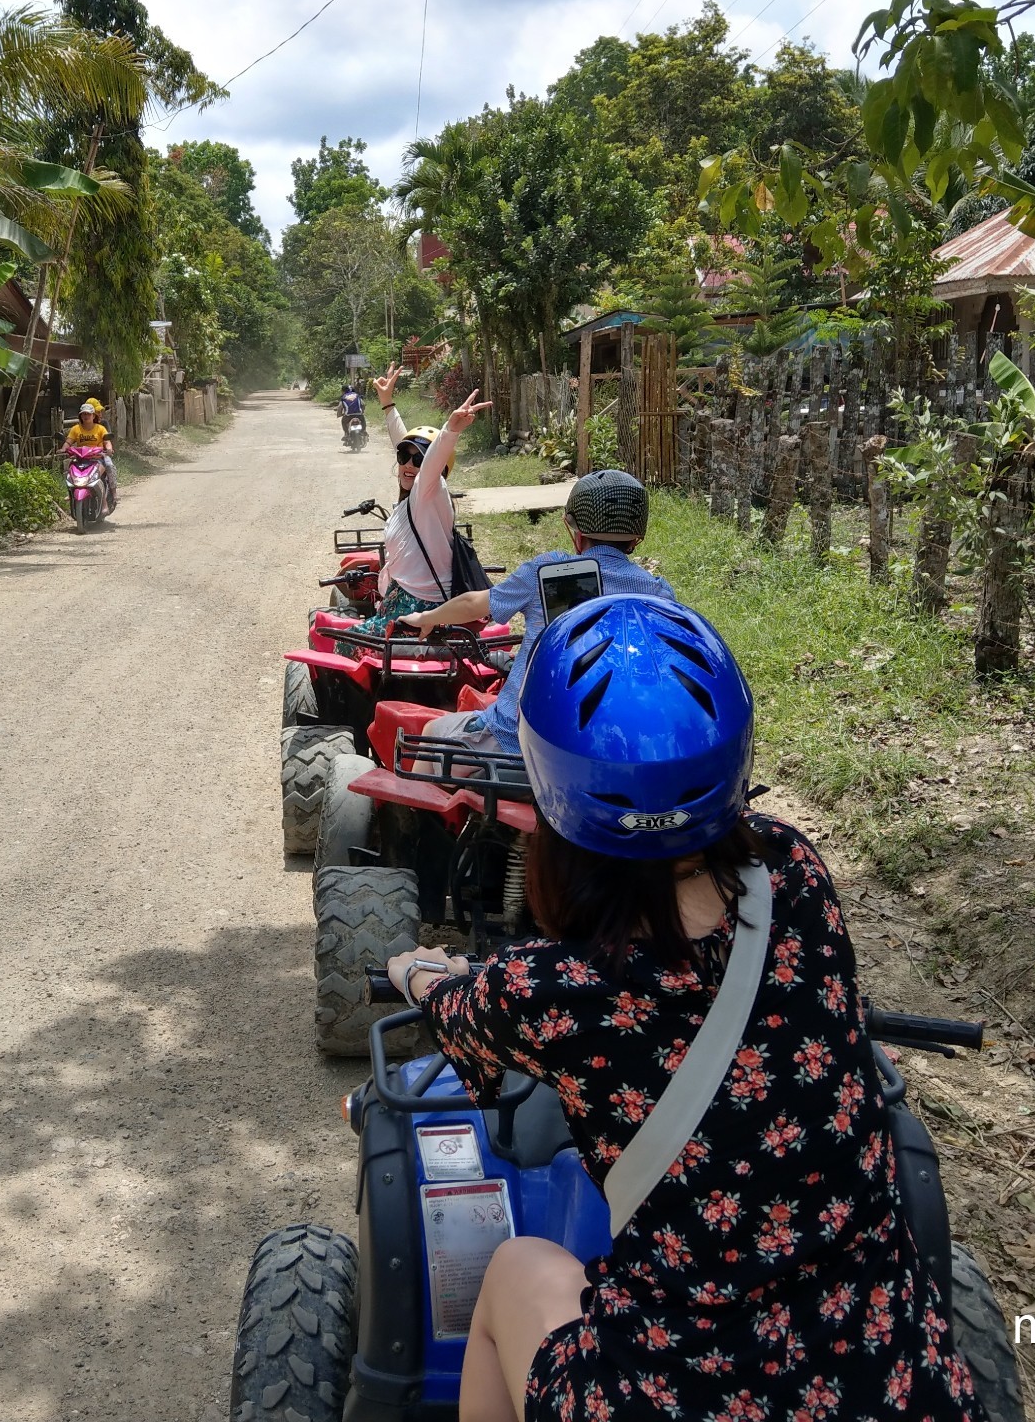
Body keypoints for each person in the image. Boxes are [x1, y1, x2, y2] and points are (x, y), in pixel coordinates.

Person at [388, 596, 980, 1422]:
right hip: (894, 1382)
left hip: (673, 1394)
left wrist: (420, 972)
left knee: (518, 1268)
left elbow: (456, 1011)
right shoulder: (797, 875)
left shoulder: (543, 990)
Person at [404, 469, 674, 756]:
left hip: (516, 738)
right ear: (636, 539)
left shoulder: (546, 571)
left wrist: (425, 618)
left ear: (576, 533)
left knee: (432, 733)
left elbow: (472, 605)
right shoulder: (657, 592)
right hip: (607, 745)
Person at [336, 363, 489, 645]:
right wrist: (387, 404)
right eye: (403, 457)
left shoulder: (430, 489)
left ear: (437, 468)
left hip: (419, 605)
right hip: (411, 596)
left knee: (344, 641)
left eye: (418, 459)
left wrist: (450, 431)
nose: (408, 464)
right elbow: (404, 442)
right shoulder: (416, 502)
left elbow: (430, 464)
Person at [65, 399, 116, 511]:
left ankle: (106, 502)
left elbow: (107, 442)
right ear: (80, 416)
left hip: (97, 458)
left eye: (88, 414)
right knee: (69, 468)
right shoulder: (75, 429)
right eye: (83, 414)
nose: (86, 416)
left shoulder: (101, 428)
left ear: (93, 416)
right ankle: (70, 492)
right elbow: (68, 442)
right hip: (80, 459)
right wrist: (63, 449)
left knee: (102, 473)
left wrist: (108, 449)